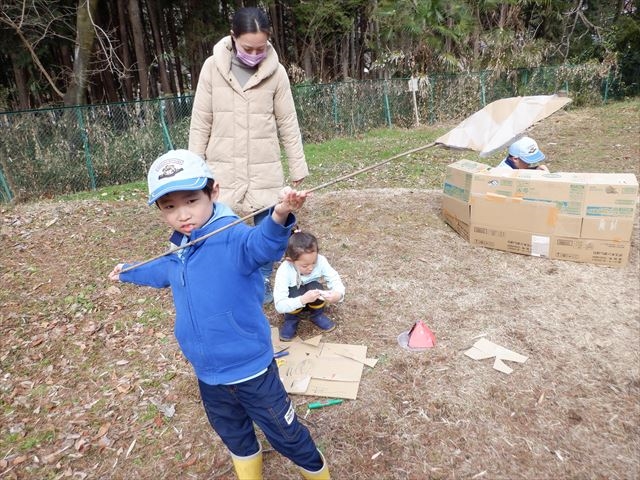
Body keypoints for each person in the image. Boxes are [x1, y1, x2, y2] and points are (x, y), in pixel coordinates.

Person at [108, 150, 330, 480]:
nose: (182, 214)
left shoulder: (233, 237)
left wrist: (280, 214)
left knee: (286, 436)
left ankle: (316, 472)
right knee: (234, 436)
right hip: (209, 374)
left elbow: (262, 244)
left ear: (213, 192)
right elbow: (161, 270)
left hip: (252, 371)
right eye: (169, 207)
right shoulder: (180, 247)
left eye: (191, 201)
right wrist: (128, 271)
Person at [188, 7, 308, 304]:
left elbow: (287, 122)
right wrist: (193, 166)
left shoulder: (277, 73)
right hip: (222, 166)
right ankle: (221, 279)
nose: (255, 53)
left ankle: (262, 280)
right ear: (233, 38)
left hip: (264, 167)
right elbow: (201, 120)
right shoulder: (211, 68)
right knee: (217, 228)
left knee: (269, 231)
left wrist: (298, 166)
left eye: (261, 47)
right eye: (247, 47)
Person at [273, 231, 346, 341]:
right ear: (290, 261)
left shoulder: (321, 260)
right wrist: (302, 300)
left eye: (314, 262)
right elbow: (279, 305)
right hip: (295, 298)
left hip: (311, 293)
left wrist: (338, 294)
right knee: (294, 293)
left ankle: (317, 314)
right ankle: (291, 319)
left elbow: (334, 278)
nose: (311, 268)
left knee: (316, 287)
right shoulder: (284, 270)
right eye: (305, 265)